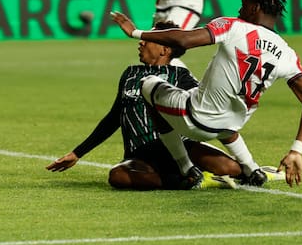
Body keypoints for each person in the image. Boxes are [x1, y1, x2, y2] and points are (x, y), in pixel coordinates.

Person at [110, 0, 302, 189]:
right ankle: (251, 168)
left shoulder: (234, 26)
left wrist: (136, 32)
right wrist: (296, 150)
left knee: (147, 84)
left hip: (194, 118)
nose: (240, 9)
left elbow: (183, 40)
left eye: (243, 4)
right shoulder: (287, 54)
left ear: (255, 7)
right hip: (231, 126)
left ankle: (186, 168)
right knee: (222, 100)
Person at [47, 21, 246, 190]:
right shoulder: (130, 74)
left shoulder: (182, 77)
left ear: (165, 48)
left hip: (182, 147)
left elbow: (204, 111)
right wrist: (77, 153)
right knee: (118, 176)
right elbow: (114, 117)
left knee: (233, 169)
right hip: (141, 153)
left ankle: (248, 170)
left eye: (149, 39)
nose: (141, 42)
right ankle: (191, 180)